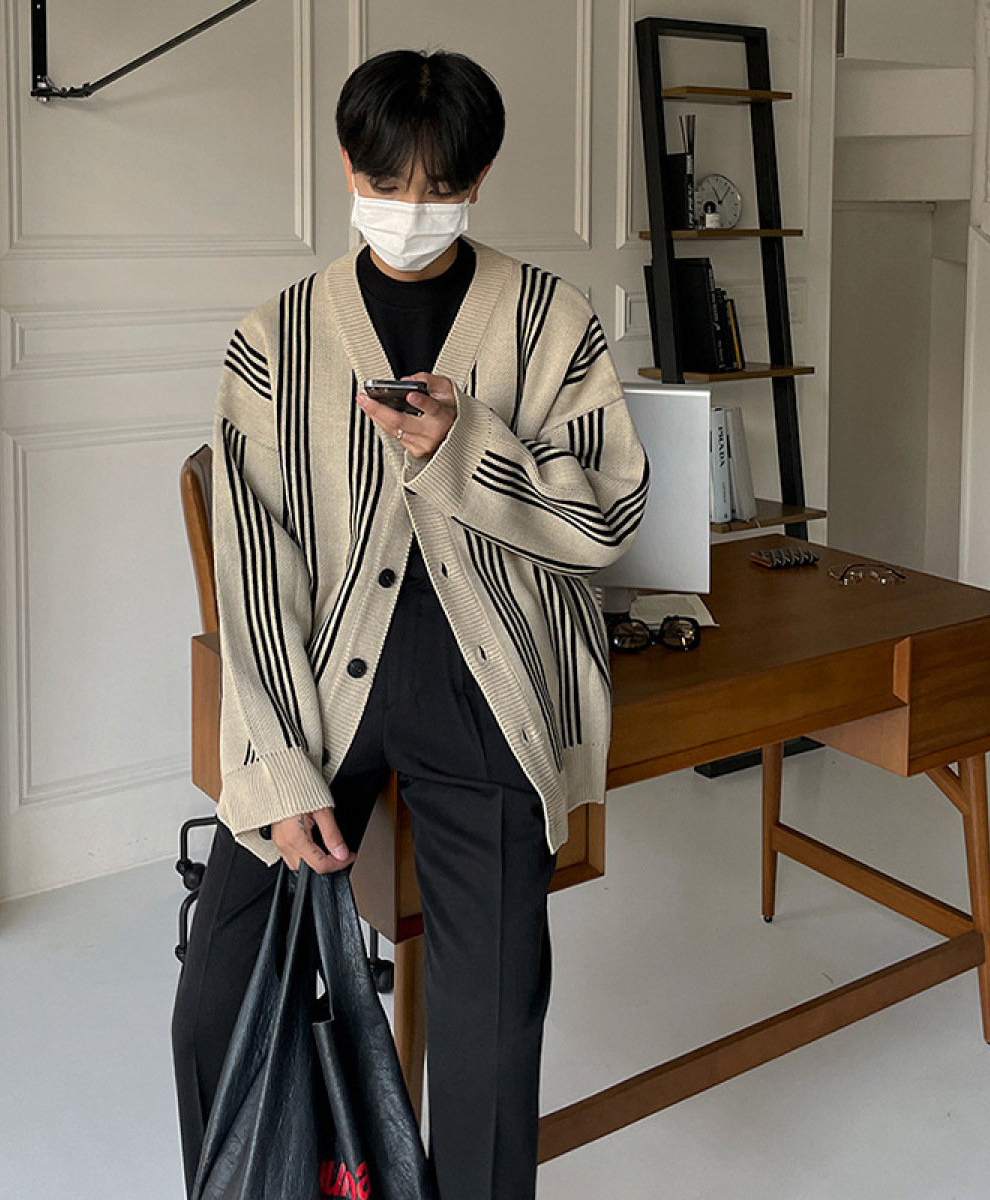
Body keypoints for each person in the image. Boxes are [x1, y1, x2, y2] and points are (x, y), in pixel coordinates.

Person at [172, 47, 649, 1200]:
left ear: (479, 180)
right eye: (389, 183)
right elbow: (254, 565)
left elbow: (608, 517)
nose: (412, 209)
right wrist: (280, 764)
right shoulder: (278, 337)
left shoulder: (550, 320)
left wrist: (468, 447)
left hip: (490, 687)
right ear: (350, 166)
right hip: (319, 691)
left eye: (441, 187)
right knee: (216, 1003)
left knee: (493, 1031)